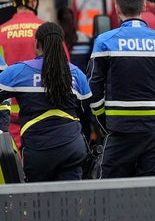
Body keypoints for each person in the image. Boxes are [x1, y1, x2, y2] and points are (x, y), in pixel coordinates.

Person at [87, 0, 155, 178]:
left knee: (111, 184)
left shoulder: (104, 41)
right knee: (150, 184)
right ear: (144, 6)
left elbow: (93, 87)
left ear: (117, 7)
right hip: (154, 128)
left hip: (118, 127)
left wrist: (103, 118)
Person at [0, 22, 92, 182]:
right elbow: (88, 115)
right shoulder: (77, 74)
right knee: (70, 202)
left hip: (37, 151)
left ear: (37, 44)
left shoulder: (19, 71)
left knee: (39, 204)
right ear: (60, 44)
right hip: (72, 148)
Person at [0, 0, 48, 148]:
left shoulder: (1, 32)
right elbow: (66, 68)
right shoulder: (48, 31)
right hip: (43, 120)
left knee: (12, 171)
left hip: (8, 123)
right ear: (33, 2)